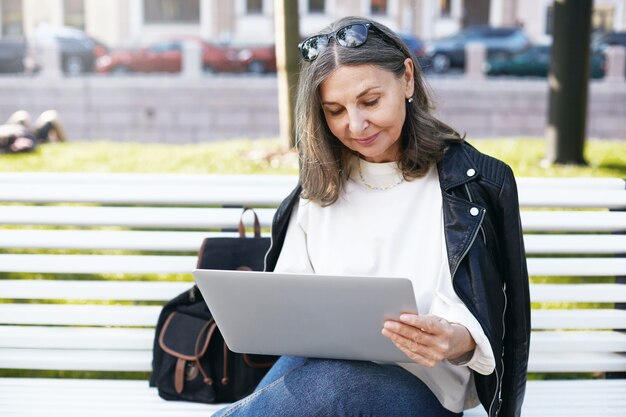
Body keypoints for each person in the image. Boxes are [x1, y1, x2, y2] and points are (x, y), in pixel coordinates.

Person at [213, 16, 530, 417]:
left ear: (408, 79)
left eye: (369, 101)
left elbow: (494, 315)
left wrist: (456, 340)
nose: (355, 125)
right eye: (334, 110)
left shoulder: (475, 184)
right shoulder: (320, 188)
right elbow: (290, 302)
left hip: (423, 392)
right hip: (323, 377)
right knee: (328, 378)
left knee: (335, 382)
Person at [0, 109, 67, 153]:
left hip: (18, 130)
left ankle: (63, 144)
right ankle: (64, 147)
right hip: (27, 137)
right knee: (51, 116)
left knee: (21, 115)